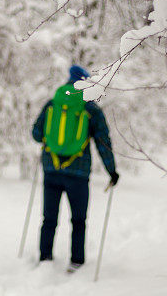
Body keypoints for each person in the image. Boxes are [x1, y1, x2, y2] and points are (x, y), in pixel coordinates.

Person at [31, 65, 119, 272]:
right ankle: (76, 262)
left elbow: (36, 133)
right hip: (78, 173)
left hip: (51, 169)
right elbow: (103, 142)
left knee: (49, 219)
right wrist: (112, 171)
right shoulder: (90, 108)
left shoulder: (53, 103)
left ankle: (45, 260)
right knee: (78, 220)